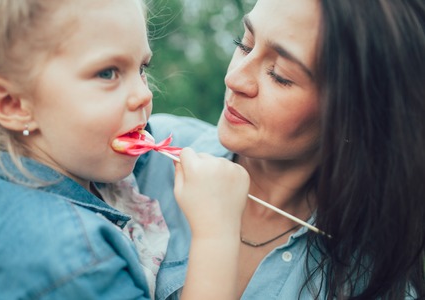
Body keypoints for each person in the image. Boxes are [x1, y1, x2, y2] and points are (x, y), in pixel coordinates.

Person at [135, 0, 425, 299]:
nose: (234, 79)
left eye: (280, 75)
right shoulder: (143, 154)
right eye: (244, 44)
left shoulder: (371, 285)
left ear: (354, 113)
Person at [0, 0, 249, 299]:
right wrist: (217, 233)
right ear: (13, 104)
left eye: (142, 68)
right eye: (108, 73)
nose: (144, 95)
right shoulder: (68, 255)